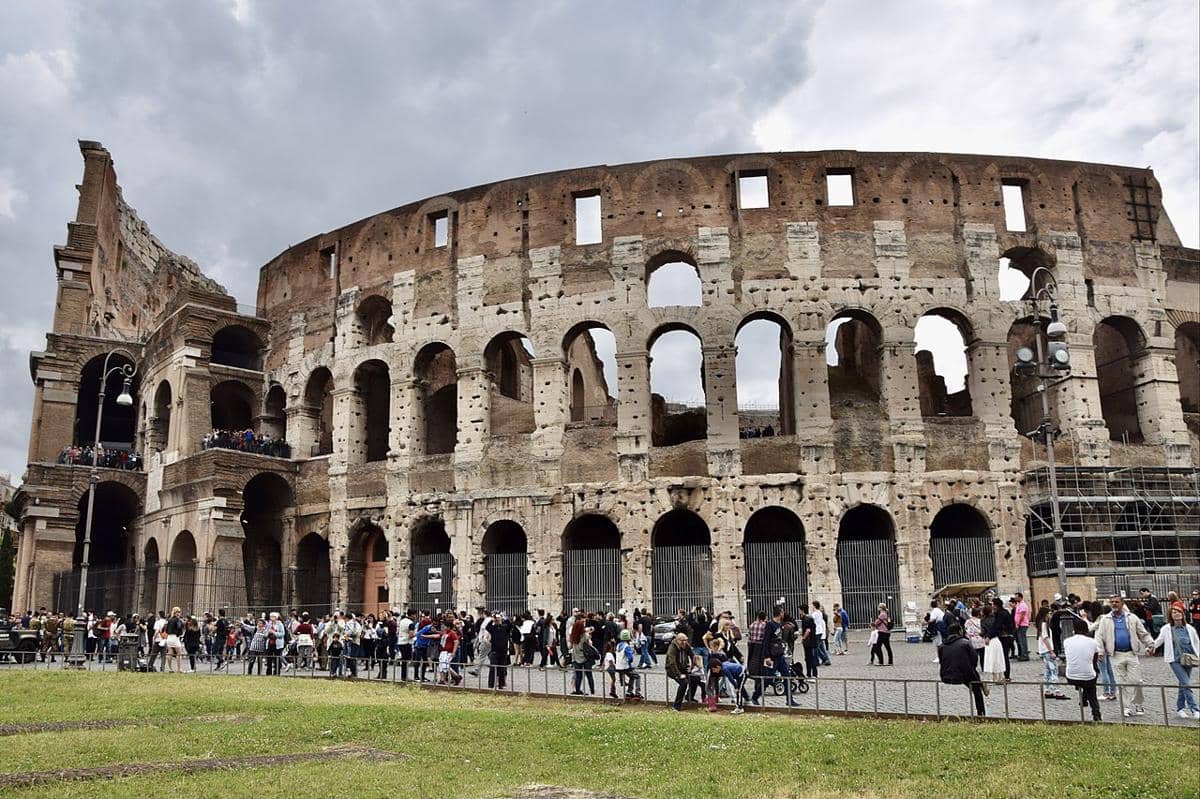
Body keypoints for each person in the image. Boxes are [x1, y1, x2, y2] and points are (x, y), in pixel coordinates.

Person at [1094, 594, 1156, 717]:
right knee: (1121, 682)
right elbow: (1099, 637)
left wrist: (1150, 644)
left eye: (1116, 602)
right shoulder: (1105, 620)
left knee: (1136, 680)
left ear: (1122, 604)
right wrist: (1100, 651)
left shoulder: (1132, 618)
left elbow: (1142, 633)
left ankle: (1138, 703)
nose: (1114, 604)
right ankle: (1126, 707)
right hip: (1115, 654)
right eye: (1112, 602)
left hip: (1131, 653)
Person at [1153, 605, 1200, 720]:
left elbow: (1196, 642)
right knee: (1186, 683)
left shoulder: (1189, 628)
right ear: (1171, 616)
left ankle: (1180, 708)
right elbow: (1159, 640)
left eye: (1178, 612)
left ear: (1183, 614)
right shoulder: (1167, 628)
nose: (1177, 614)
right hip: (1175, 659)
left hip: (1188, 658)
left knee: (1183, 684)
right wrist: (1151, 647)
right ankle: (1195, 709)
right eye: (1174, 613)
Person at [938, 622, 985, 716]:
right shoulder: (966, 643)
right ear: (960, 631)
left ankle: (980, 684)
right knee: (976, 688)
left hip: (945, 674)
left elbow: (941, 660)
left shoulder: (942, 646)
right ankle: (981, 712)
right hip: (964, 674)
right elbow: (974, 659)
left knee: (973, 676)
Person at [1064, 619, 1102, 722]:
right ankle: (1096, 712)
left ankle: (1084, 698)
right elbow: (1095, 660)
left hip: (1071, 676)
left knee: (1083, 679)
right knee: (1091, 688)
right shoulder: (1093, 642)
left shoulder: (1066, 641)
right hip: (1088, 677)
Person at [1034, 606, 1067, 700]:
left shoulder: (1041, 625)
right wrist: (1051, 651)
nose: (1050, 615)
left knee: (1047, 671)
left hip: (1044, 650)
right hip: (1047, 650)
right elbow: (1045, 638)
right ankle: (1057, 691)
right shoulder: (1044, 625)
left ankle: (1047, 690)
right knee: (1053, 670)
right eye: (1049, 613)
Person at [665, 632, 704, 711]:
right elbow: (672, 663)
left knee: (696, 679)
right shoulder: (672, 648)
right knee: (684, 683)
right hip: (672, 670)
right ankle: (676, 706)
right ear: (677, 640)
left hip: (684, 668)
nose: (684, 642)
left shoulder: (686, 645)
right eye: (682, 640)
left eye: (686, 640)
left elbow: (693, 655)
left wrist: (692, 667)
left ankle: (689, 697)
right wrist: (679, 674)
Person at [569, 617, 596, 696]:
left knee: (578, 676)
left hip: (576, 657)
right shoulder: (584, 636)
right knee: (589, 675)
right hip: (585, 658)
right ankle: (592, 691)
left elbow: (570, 646)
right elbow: (590, 644)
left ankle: (577, 690)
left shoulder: (573, 636)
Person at [810, 601, 831, 666]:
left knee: (816, 648)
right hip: (820, 631)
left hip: (816, 631)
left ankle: (823, 659)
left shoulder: (814, 614)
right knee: (821, 647)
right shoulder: (820, 613)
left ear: (814, 606)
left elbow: (811, 622)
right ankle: (826, 659)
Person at [1012, 592, 1031, 661]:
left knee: (1022, 640)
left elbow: (1022, 615)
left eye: (1016, 597)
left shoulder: (1023, 605)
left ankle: (1025, 655)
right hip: (1020, 624)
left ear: (1020, 597)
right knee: (1021, 640)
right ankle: (1023, 654)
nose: (1015, 598)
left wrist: (1018, 623)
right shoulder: (1018, 604)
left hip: (1022, 625)